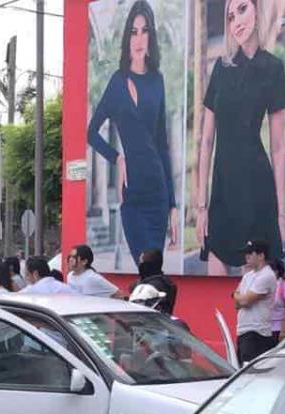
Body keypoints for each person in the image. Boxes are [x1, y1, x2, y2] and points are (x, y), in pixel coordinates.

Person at [195, 0, 285, 275]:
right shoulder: (221, 70)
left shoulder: (273, 68)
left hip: (256, 188)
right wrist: (202, 207)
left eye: (243, 9)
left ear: (258, 10)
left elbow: (279, 148)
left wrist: (281, 214)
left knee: (252, 296)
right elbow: (206, 143)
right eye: (230, 15)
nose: (236, 21)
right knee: (215, 282)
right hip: (222, 191)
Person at [86, 0, 180, 265]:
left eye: (145, 30)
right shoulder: (117, 82)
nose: (139, 38)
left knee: (154, 269)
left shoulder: (157, 81)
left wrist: (172, 204)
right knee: (143, 264)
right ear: (127, 37)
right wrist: (117, 157)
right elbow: (91, 132)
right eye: (134, 31)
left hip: (157, 192)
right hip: (133, 193)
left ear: (151, 37)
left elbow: (163, 146)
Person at [233, 240, 278, 362]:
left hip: (257, 333)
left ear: (261, 255)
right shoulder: (248, 276)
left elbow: (245, 301)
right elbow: (237, 303)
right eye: (245, 253)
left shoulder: (266, 275)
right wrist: (237, 296)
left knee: (251, 372)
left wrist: (238, 296)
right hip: (243, 330)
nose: (246, 256)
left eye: (250, 253)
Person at [137, 248, 177, 314]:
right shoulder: (166, 282)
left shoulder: (154, 285)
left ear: (147, 265)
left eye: (141, 263)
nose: (140, 266)